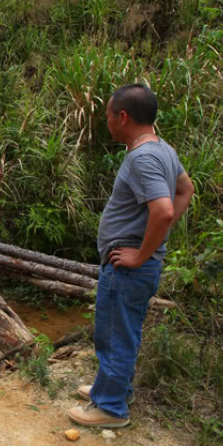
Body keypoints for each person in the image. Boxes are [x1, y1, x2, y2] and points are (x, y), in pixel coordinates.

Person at [67, 84, 194, 428]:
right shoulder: (162, 149)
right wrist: (150, 245)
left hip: (129, 269)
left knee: (113, 335)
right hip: (136, 266)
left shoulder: (143, 157)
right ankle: (115, 390)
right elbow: (186, 189)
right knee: (123, 332)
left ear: (123, 117)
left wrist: (140, 254)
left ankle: (109, 408)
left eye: (108, 114)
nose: (106, 121)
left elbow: (165, 210)